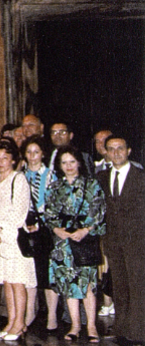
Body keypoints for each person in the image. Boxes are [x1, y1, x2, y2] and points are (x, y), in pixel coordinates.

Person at [44, 147, 106, 342]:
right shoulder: (54, 187)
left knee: (87, 285)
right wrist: (57, 230)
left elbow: (99, 212)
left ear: (79, 162)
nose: (68, 166)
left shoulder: (91, 184)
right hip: (63, 243)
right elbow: (49, 214)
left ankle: (92, 326)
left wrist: (85, 230)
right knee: (69, 285)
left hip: (84, 239)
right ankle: (75, 325)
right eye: (64, 163)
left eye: (72, 162)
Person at [0, 139, 36, 341]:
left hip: (13, 238)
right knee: (6, 282)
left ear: (13, 160)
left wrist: (0, 229)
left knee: (17, 282)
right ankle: (12, 321)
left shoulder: (18, 180)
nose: (1, 162)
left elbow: (19, 211)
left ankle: (20, 323)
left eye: (5, 158)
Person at [97, 135, 145, 345]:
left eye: (120, 148)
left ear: (129, 151)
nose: (116, 153)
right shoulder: (101, 177)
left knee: (137, 285)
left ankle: (139, 331)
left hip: (137, 240)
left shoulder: (140, 177)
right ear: (105, 152)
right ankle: (122, 327)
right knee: (120, 285)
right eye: (111, 149)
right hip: (113, 241)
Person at [20, 135, 58, 331]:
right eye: (29, 152)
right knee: (29, 273)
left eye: (36, 152)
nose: (32, 156)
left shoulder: (51, 175)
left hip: (46, 229)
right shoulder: (20, 175)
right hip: (26, 228)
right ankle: (29, 311)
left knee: (47, 273)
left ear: (43, 154)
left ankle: (52, 315)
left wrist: (40, 222)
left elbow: (55, 203)